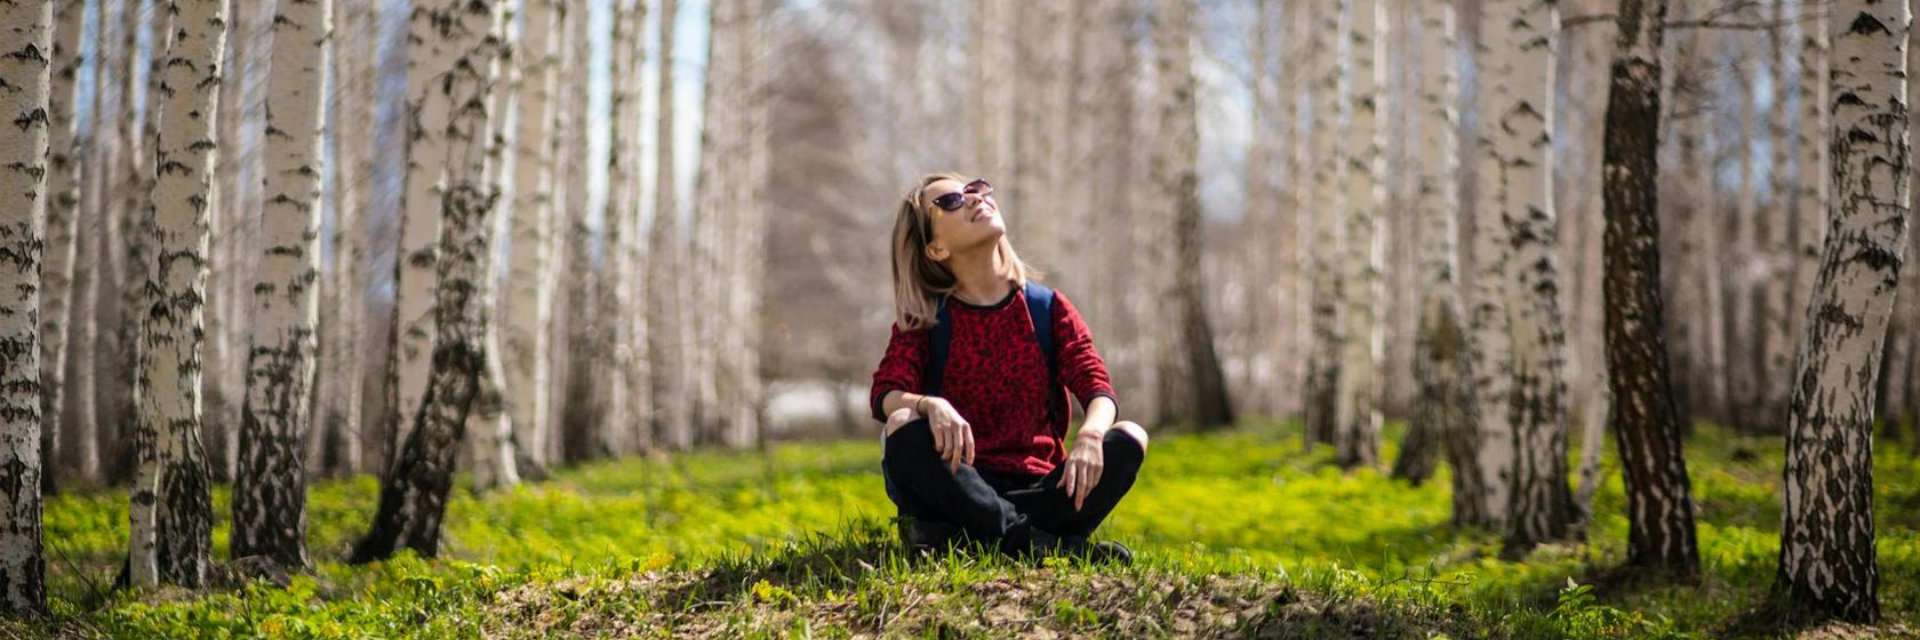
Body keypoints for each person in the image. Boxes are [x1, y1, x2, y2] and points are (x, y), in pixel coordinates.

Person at [870, 172, 1148, 564]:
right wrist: (929, 404)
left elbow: (1097, 386)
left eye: (976, 189)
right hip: (960, 485)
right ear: (935, 249)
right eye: (950, 201)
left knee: (1129, 436)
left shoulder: (1047, 309)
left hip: (1042, 491)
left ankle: (980, 538)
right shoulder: (927, 318)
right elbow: (885, 394)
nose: (973, 199)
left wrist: (1089, 434)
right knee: (901, 423)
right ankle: (1042, 545)